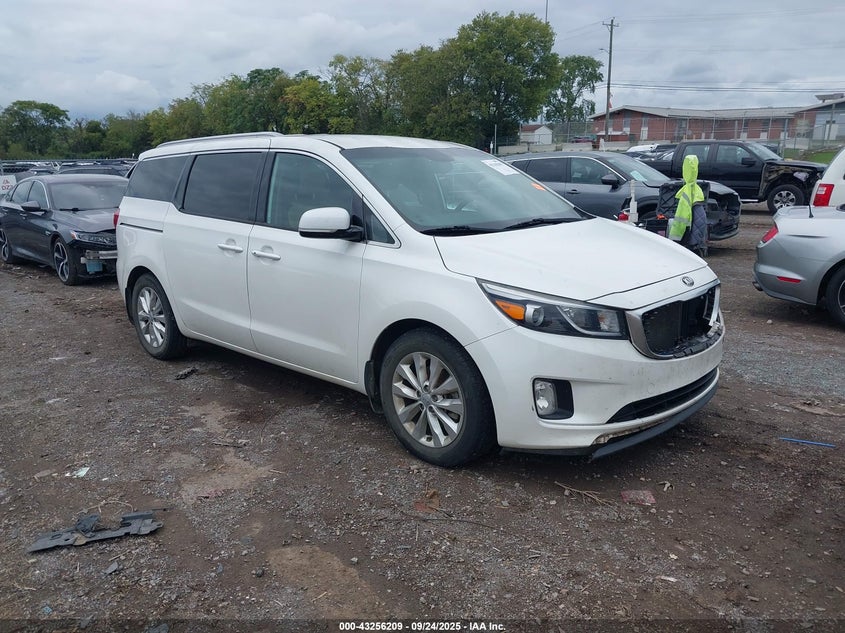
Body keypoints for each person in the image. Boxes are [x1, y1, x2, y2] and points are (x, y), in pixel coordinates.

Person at [668, 154, 708, 256]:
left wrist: (674, 238)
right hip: (695, 237)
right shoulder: (697, 190)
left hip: (686, 236)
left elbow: (681, 217)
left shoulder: (686, 191)